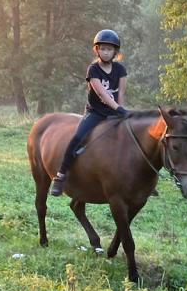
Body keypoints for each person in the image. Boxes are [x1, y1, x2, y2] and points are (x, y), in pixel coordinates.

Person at [50, 29, 130, 197]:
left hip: (115, 112)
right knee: (78, 138)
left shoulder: (120, 70)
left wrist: (121, 112)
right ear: (97, 50)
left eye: (109, 49)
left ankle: (136, 178)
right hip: (96, 113)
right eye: (103, 49)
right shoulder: (93, 69)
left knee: (132, 138)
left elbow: (121, 93)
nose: (106, 52)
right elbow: (101, 93)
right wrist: (118, 108)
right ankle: (60, 175)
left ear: (115, 52)